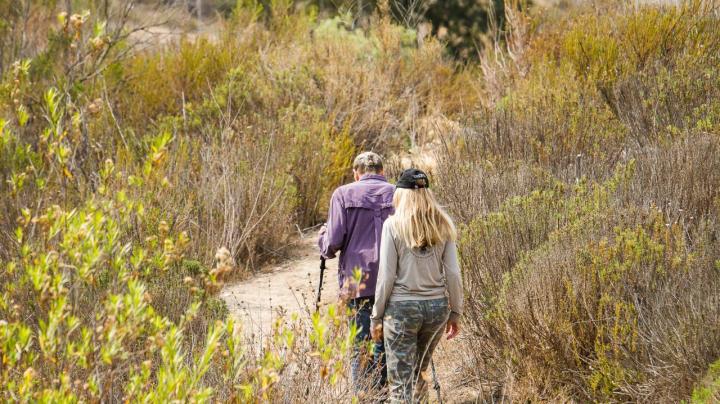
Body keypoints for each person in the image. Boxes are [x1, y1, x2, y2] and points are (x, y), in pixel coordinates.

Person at [370, 168, 463, 403]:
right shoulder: (444, 223)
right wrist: (456, 312)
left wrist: (376, 316)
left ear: (401, 194)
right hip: (436, 310)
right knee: (418, 372)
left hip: (402, 310)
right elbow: (453, 273)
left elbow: (387, 276)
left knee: (400, 383)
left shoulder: (393, 225)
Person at [318, 151, 394, 392]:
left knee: (361, 346)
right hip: (395, 280)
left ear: (356, 174)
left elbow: (333, 242)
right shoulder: (398, 193)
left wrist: (322, 237)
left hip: (358, 282)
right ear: (382, 172)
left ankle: (365, 396)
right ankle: (386, 395)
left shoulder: (342, 194)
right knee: (389, 343)